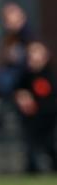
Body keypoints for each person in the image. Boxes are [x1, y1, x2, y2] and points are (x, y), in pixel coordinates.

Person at [0, 2, 35, 133]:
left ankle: (4, 115)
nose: (7, 23)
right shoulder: (8, 36)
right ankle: (3, 114)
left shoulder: (27, 35)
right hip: (12, 73)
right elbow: (5, 54)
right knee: (3, 78)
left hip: (24, 73)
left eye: (8, 19)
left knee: (8, 81)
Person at [13, 41, 57, 174]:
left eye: (36, 53)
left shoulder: (51, 75)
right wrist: (21, 96)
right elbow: (17, 91)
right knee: (31, 148)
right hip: (32, 121)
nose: (32, 57)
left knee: (50, 146)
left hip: (50, 120)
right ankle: (32, 170)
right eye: (30, 53)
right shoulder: (25, 76)